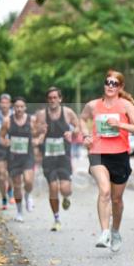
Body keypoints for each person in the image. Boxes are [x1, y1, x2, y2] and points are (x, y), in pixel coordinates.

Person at [80, 71, 134, 251]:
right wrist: (85, 135)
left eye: (115, 83)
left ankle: (115, 230)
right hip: (97, 153)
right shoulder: (93, 105)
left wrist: (120, 125)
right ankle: (104, 232)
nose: (110, 86)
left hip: (119, 155)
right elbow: (82, 119)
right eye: (107, 82)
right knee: (104, 191)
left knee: (116, 200)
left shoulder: (126, 106)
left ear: (120, 87)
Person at [33, 87, 81, 231]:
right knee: (53, 188)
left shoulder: (67, 113)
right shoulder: (42, 115)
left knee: (65, 189)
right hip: (48, 157)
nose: (52, 100)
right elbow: (34, 131)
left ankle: (66, 197)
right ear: (47, 100)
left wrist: (72, 133)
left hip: (63, 156)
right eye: (50, 98)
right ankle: (56, 219)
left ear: (60, 99)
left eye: (55, 97)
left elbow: (78, 127)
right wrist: (39, 132)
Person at [0, 98, 36, 221]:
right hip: (13, 157)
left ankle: (28, 195)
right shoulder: (7, 121)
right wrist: (5, 141)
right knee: (17, 185)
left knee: (28, 181)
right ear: (13, 108)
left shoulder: (32, 120)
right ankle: (19, 212)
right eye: (17, 106)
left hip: (27, 156)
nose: (19, 109)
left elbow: (39, 133)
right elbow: (1, 136)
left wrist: (38, 139)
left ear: (25, 107)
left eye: (21, 106)